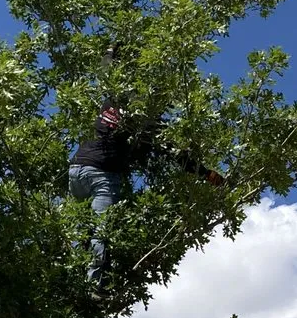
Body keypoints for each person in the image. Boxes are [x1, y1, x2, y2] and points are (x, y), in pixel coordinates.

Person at [69, 93, 224, 289]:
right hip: (103, 173)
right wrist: (206, 173)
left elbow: (109, 63)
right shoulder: (147, 123)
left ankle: (73, 277)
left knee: (79, 227)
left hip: (77, 167)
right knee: (102, 231)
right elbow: (176, 154)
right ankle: (95, 287)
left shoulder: (112, 99)